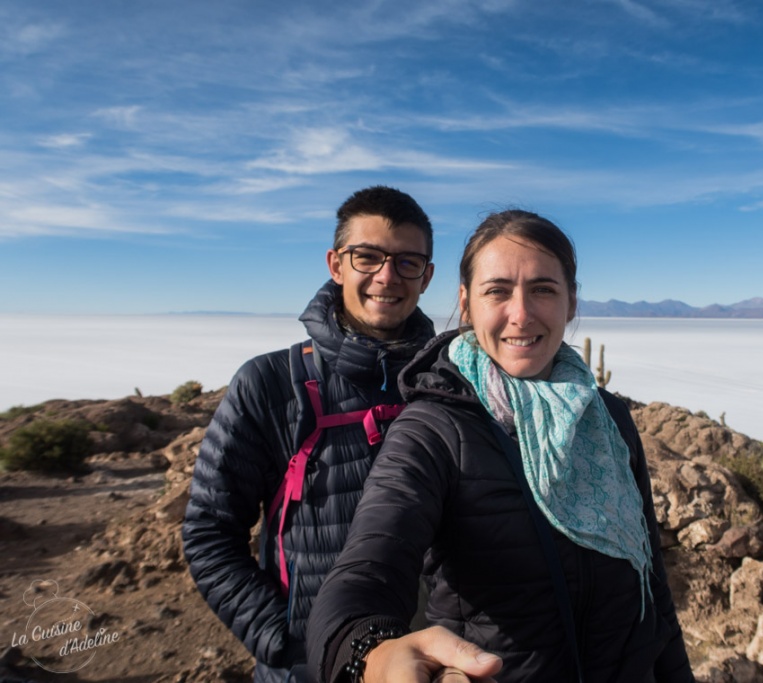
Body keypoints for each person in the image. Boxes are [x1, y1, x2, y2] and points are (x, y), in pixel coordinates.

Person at [307, 210, 694, 682]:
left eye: (544, 290)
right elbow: (367, 567)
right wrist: (372, 653)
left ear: (571, 302)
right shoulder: (435, 430)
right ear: (466, 305)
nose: (522, 313)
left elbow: (651, 581)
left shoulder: (607, 418)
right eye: (498, 291)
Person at [182, 186, 494, 683]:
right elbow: (209, 532)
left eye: (407, 262)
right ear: (336, 264)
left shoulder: (452, 380)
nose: (386, 277)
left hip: (437, 661)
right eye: (367, 257)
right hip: (315, 666)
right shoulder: (270, 384)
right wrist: (285, 639)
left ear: (427, 275)